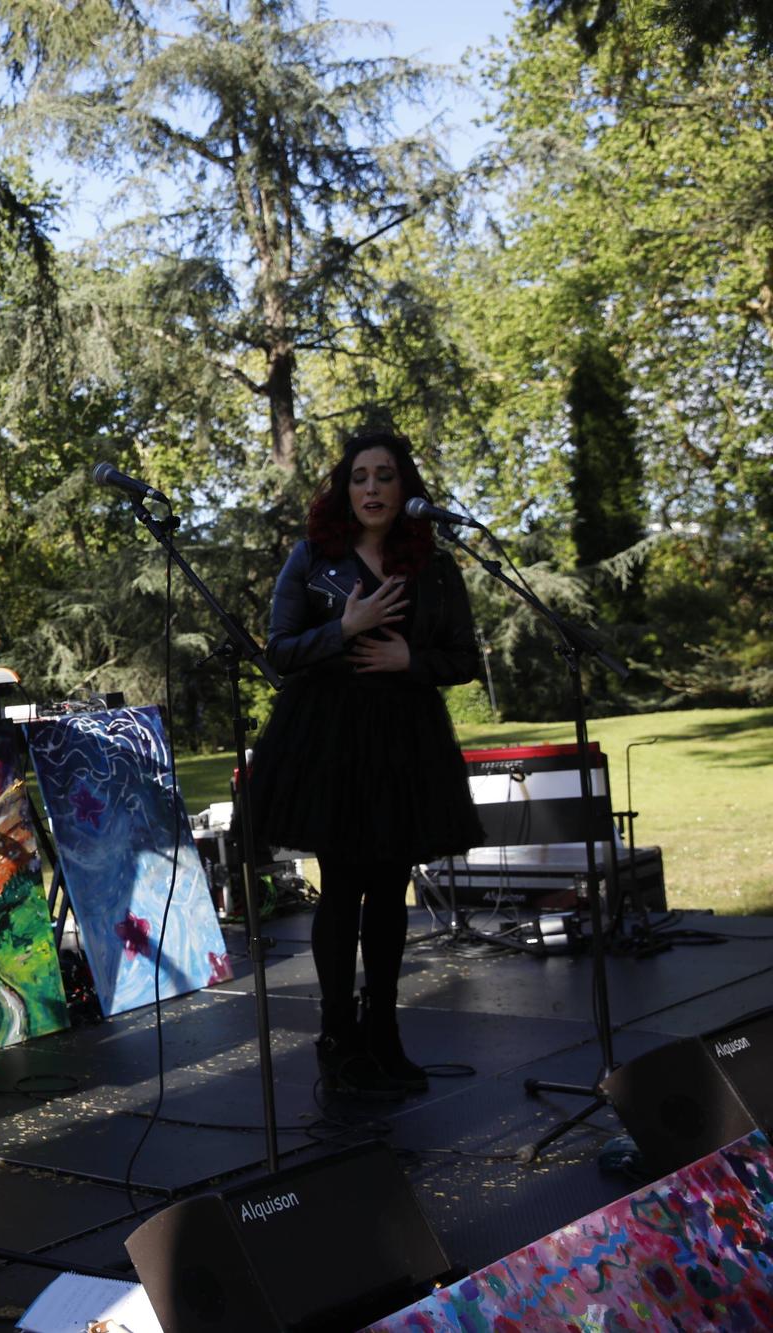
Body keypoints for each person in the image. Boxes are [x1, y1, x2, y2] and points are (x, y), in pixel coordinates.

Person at [247, 430, 484, 1100]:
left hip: (405, 742)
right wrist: (344, 630)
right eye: (360, 477)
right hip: (330, 744)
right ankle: (336, 1034)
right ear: (344, 489)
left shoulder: (434, 566)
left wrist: (412, 661)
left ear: (406, 487)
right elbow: (280, 652)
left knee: (390, 889)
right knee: (343, 885)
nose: (373, 488)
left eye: (385, 475)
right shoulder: (312, 557)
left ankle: (384, 1029)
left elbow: (463, 656)